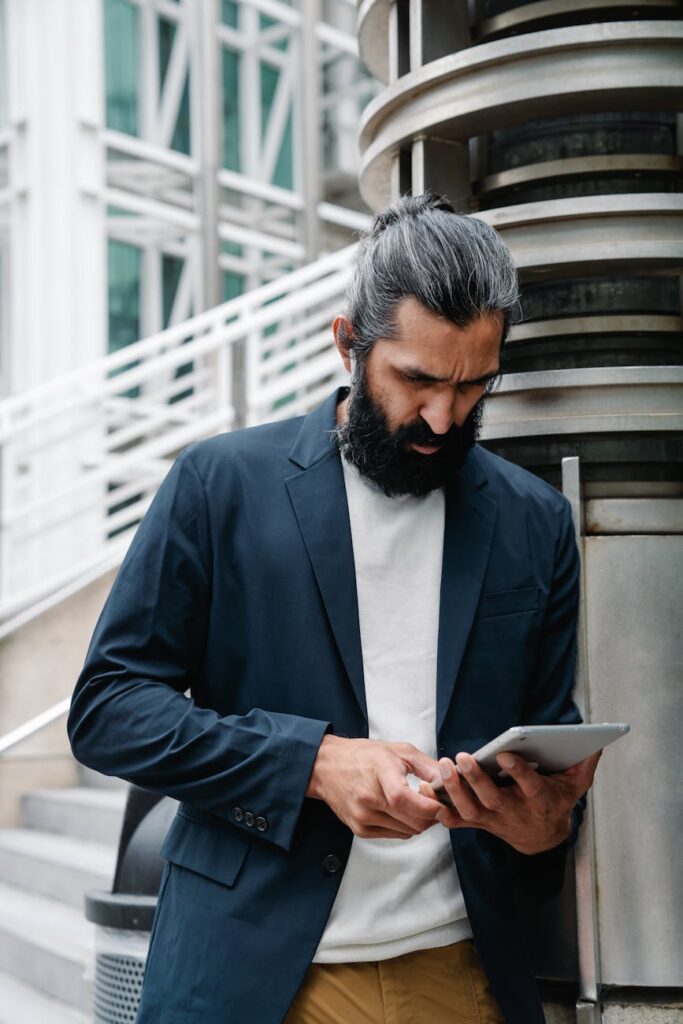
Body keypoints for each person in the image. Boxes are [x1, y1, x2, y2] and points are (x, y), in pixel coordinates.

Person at [67, 192, 601, 1024]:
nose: (442, 416)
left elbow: (541, 761)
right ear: (348, 344)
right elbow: (108, 710)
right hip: (246, 973)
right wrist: (312, 766)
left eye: (473, 386)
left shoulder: (534, 523)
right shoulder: (218, 486)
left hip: (458, 974)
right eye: (417, 380)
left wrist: (540, 828)